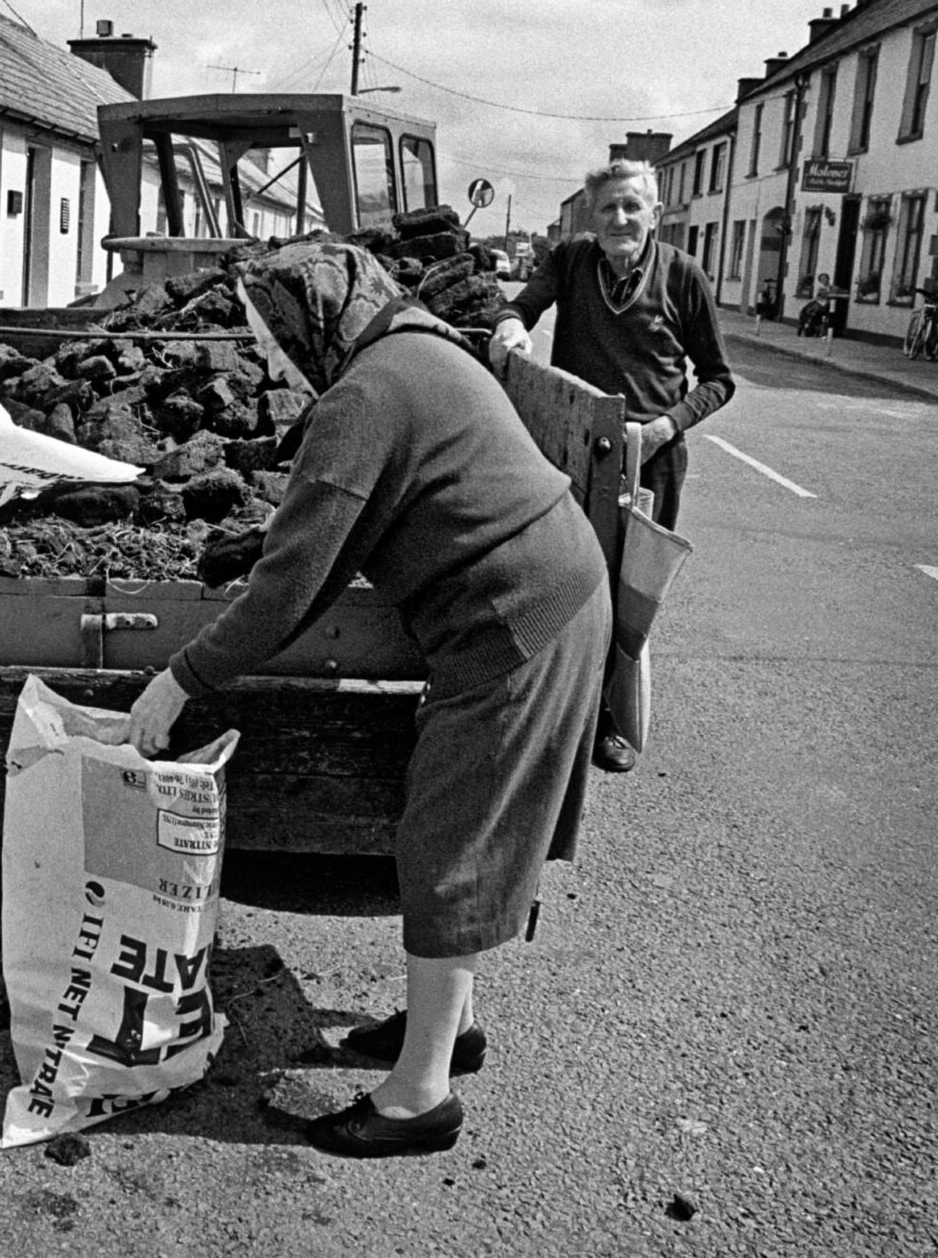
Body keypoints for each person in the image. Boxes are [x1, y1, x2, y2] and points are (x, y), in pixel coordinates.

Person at [125, 242, 611, 1159]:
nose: (273, 359)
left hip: (515, 623)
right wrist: (271, 538)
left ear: (315, 322)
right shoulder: (417, 351)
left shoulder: (363, 394)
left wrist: (180, 675)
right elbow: (372, 504)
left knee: (450, 845)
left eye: (274, 336)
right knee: (464, 827)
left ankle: (418, 1098)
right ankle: (448, 1029)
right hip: (548, 594)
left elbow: (290, 594)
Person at [488, 159, 733, 773]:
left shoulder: (683, 276)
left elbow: (720, 379)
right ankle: (559, 709)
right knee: (569, 582)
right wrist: (512, 326)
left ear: (654, 211)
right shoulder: (572, 261)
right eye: (608, 208)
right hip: (577, 452)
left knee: (632, 597)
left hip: (653, 458)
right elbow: (522, 306)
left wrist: (664, 428)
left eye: (632, 206)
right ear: (591, 217)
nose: (620, 218)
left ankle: (611, 720)